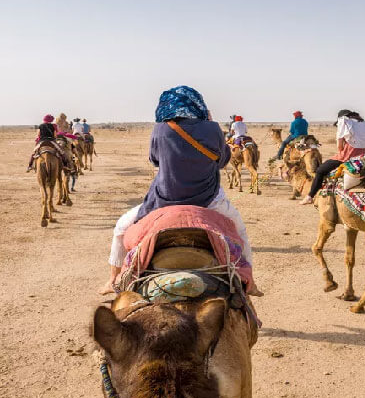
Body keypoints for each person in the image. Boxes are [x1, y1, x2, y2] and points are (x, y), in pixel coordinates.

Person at [98, 85, 259, 296]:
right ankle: (250, 281)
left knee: (120, 228)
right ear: (197, 104)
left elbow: (155, 160)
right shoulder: (213, 129)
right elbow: (223, 161)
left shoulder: (160, 129)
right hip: (209, 201)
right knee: (239, 231)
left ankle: (113, 280)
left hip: (163, 201)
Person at [299, 110, 365, 205]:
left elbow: (339, 146)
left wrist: (342, 152)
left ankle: (310, 196)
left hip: (348, 156)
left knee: (320, 171)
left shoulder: (344, 121)